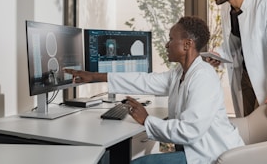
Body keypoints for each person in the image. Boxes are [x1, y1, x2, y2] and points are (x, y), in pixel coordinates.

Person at [64, 16, 244, 164]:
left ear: (187, 44)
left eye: (171, 39)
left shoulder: (203, 77)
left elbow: (190, 131)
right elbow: (145, 81)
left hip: (210, 156)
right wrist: (94, 77)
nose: (167, 45)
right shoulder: (180, 72)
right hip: (195, 151)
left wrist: (147, 120)